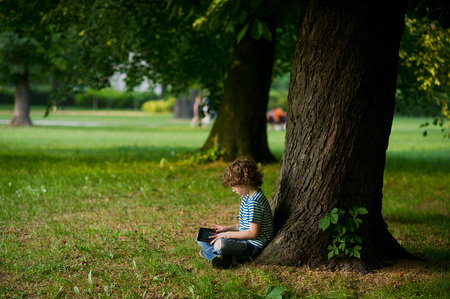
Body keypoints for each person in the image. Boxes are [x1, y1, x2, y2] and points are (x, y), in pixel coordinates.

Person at [197, 158, 274, 269]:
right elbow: (245, 227)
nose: (233, 190)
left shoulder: (255, 203)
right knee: (201, 238)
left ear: (245, 181)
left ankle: (216, 255)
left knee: (221, 244)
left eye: (234, 186)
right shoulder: (247, 197)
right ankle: (217, 256)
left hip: (251, 245)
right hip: (243, 239)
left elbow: (253, 234)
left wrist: (226, 235)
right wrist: (226, 228)